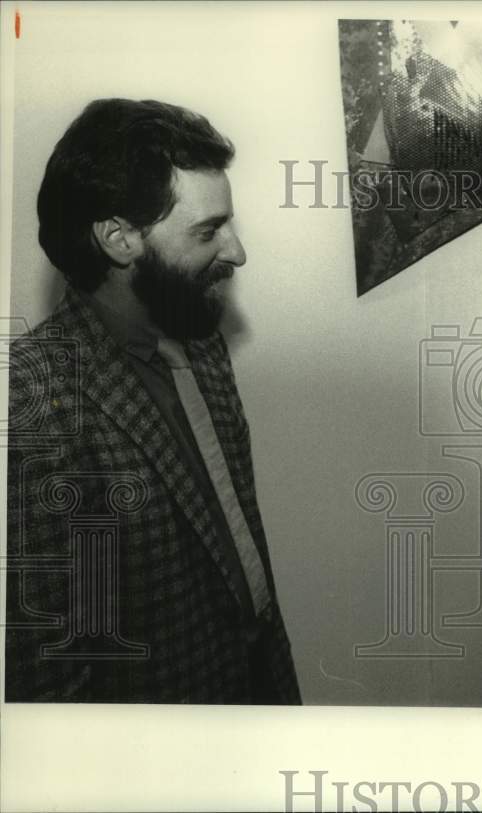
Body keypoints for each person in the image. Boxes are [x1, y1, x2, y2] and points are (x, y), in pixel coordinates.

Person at [5, 98, 301, 703]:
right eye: (208, 230)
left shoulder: (202, 342)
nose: (237, 251)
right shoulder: (33, 400)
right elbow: (54, 680)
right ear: (118, 238)